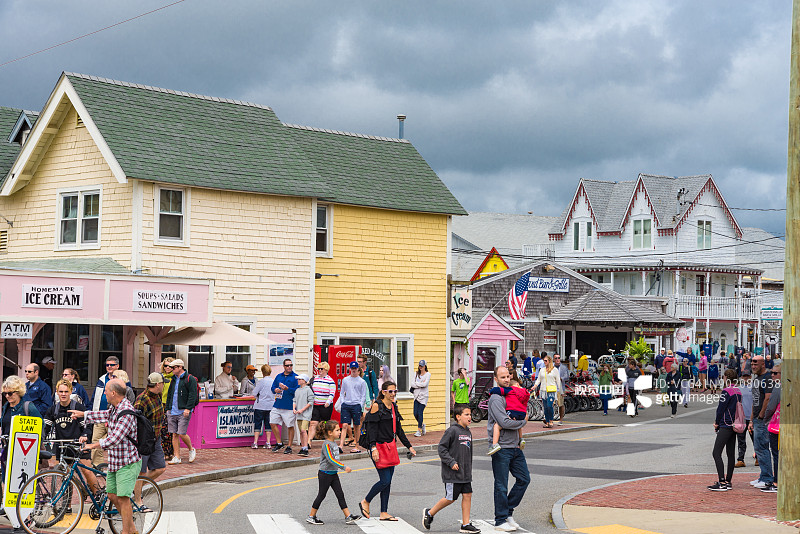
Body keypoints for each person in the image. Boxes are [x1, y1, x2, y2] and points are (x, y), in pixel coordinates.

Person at [72, 379, 140, 534]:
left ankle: (126, 531)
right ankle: (132, 529)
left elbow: (115, 438)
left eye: (106, 390)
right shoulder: (114, 408)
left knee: (123, 498)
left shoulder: (127, 411)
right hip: (115, 461)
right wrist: (84, 414)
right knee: (112, 495)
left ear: (114, 393)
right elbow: (104, 414)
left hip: (127, 462)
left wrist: (92, 445)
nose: (104, 393)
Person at [359, 381, 416, 521]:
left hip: (390, 447)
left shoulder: (394, 407)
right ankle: (366, 501)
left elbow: (399, 430)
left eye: (395, 391)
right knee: (385, 480)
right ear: (383, 392)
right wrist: (373, 448)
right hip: (378, 447)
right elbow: (371, 430)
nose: (393, 394)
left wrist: (409, 446)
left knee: (388, 482)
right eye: (390, 391)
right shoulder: (377, 406)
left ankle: (384, 512)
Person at [422, 404, 478, 533]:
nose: (470, 417)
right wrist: (451, 462)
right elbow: (442, 448)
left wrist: (468, 469)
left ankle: (465, 524)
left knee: (468, 494)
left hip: (465, 472)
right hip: (453, 473)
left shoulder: (468, 431)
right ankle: (429, 513)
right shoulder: (452, 430)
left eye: (470, 414)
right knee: (451, 498)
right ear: (458, 417)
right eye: (467, 414)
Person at [488, 366, 529, 532]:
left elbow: (522, 411)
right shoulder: (496, 398)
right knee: (501, 485)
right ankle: (500, 521)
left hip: (515, 446)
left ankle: (508, 512)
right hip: (501, 448)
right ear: (496, 379)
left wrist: (520, 420)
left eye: (508, 376)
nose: (506, 379)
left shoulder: (513, 393)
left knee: (524, 479)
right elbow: (504, 422)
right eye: (502, 377)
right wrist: (524, 421)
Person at [44, 379, 99, 493]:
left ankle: (97, 494)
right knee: (66, 477)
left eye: (66, 391)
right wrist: (41, 438)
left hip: (78, 445)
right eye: (61, 392)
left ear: (70, 392)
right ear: (57, 392)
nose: (63, 394)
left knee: (87, 470)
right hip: (62, 446)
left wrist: (84, 436)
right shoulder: (53, 410)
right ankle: (66, 505)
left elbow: (87, 426)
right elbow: (46, 428)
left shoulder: (78, 407)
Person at [306, 421, 361, 526]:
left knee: (340, 494)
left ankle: (348, 516)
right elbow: (330, 459)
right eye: (337, 430)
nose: (340, 432)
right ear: (330, 432)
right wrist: (344, 467)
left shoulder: (333, 443)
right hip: (325, 474)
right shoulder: (326, 444)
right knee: (321, 495)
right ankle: (311, 516)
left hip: (333, 474)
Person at [134, 373, 166, 506]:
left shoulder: (157, 396)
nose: (164, 385)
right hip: (144, 441)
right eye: (163, 383)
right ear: (158, 384)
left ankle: (136, 488)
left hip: (156, 438)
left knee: (160, 468)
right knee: (141, 471)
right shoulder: (142, 400)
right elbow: (134, 421)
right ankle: (138, 501)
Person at [708, 369, 742, 491]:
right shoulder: (738, 391)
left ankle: (722, 482)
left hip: (726, 424)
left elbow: (720, 408)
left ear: (726, 377)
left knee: (716, 452)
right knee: (730, 453)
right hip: (735, 424)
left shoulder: (726, 391)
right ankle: (728, 481)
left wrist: (717, 422)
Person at [165, 359, 199, 464]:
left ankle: (191, 449)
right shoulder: (173, 379)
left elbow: (192, 395)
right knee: (174, 434)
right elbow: (170, 394)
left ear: (180, 367)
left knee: (182, 433)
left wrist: (188, 408)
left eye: (174, 368)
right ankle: (177, 456)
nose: (171, 370)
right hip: (172, 410)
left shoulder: (190, 379)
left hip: (183, 410)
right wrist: (168, 408)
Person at [90, 356, 122, 466]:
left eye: (112, 365)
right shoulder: (102, 379)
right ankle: (97, 466)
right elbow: (95, 397)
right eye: (107, 365)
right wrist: (92, 411)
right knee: (95, 440)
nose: (109, 367)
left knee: (113, 442)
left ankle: (115, 466)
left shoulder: (122, 380)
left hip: (113, 416)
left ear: (117, 366)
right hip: (99, 415)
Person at [749, 356, 774, 489]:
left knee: (763, 448)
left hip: (763, 419)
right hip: (757, 418)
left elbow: (768, 398)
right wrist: (752, 419)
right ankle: (763, 476)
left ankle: (767, 478)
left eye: (755, 363)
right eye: (752, 363)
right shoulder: (756, 378)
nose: (753, 366)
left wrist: (761, 415)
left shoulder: (767, 378)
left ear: (763, 364)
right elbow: (755, 400)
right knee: (758, 447)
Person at [487, 378, 529, 454]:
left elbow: (499, 391)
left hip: (513, 412)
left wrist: (491, 392)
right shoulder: (525, 392)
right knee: (518, 424)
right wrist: (524, 420)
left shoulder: (511, 390)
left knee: (497, 425)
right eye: (503, 377)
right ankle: (521, 439)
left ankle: (494, 444)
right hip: (522, 413)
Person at [270, 358, 299, 454]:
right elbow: (273, 387)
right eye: (287, 365)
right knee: (272, 422)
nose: (289, 367)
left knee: (290, 425)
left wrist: (288, 389)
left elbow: (298, 391)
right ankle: (279, 443)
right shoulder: (279, 376)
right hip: (278, 404)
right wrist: (275, 390)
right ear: (284, 366)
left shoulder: (296, 377)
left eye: (291, 365)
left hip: (289, 405)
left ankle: (289, 446)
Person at [339, 362, 367, 454]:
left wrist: (360, 405)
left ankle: (357, 445)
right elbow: (342, 392)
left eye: (355, 368)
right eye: (352, 368)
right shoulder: (345, 380)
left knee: (356, 425)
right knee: (344, 425)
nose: (353, 370)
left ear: (358, 370)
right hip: (346, 404)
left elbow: (363, 395)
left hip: (356, 405)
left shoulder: (362, 381)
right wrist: (343, 402)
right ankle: (341, 445)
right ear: (350, 369)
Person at [762, 364, 781, 493]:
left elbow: (771, 405)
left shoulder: (778, 387)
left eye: (775, 373)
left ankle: (776, 481)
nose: (772, 375)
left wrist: (765, 419)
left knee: (777, 454)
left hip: (777, 426)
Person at [309, 362, 335, 449]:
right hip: (316, 405)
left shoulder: (330, 380)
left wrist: (328, 402)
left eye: (321, 369)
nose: (319, 370)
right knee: (313, 423)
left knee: (325, 423)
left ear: (326, 370)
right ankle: (309, 441)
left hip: (325, 406)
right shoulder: (314, 379)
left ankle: (328, 441)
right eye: (318, 369)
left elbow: (332, 393)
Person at [533, 355, 562, 428]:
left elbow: (558, 380)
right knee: (545, 407)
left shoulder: (554, 370)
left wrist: (561, 391)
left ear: (549, 361)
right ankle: (547, 421)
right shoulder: (542, 370)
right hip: (543, 390)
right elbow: (539, 379)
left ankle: (551, 420)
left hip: (551, 390)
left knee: (550, 406)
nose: (544, 362)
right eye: (544, 361)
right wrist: (535, 386)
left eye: (546, 361)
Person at [251, 364, 275, 449]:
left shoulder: (261, 382)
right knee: (268, 424)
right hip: (270, 406)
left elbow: (254, 393)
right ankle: (268, 442)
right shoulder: (273, 381)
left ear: (262, 372)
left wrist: (258, 395)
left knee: (258, 424)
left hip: (260, 405)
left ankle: (255, 442)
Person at [736, 371, 754, 467]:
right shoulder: (739, 388)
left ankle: (758, 458)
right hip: (742, 418)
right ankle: (740, 459)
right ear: (741, 377)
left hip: (752, 417)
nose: (746, 378)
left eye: (747, 376)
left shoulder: (754, 387)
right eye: (744, 376)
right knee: (741, 440)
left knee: (755, 439)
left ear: (750, 377)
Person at [294, 374, 314, 457]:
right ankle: (302, 446)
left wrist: (302, 409)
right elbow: (294, 400)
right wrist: (294, 409)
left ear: (304, 381)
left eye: (300, 379)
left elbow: (311, 401)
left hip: (306, 414)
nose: (298, 381)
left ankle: (305, 447)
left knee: (303, 430)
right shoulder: (297, 390)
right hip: (299, 414)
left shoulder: (308, 390)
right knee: (300, 431)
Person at [159, 358, 175, 461]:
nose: (167, 368)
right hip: (161, 406)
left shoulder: (175, 378)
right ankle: (164, 452)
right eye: (166, 366)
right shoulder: (160, 378)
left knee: (171, 431)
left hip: (172, 406)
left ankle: (171, 452)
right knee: (163, 430)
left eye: (170, 366)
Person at [412, 360, 431, 436]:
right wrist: (420, 384)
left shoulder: (428, 374)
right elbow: (412, 384)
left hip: (424, 396)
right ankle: (422, 425)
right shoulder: (416, 374)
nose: (420, 367)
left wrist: (417, 384)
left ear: (425, 366)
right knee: (415, 413)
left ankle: (419, 430)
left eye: (422, 366)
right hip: (416, 396)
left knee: (420, 413)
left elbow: (425, 385)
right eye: (420, 365)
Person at [554, 354, 569, 424]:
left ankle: (561, 419)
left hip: (560, 389)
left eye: (558, 358)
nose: (557, 359)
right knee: (550, 404)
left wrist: (561, 378)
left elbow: (567, 377)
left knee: (560, 404)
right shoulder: (551, 367)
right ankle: (549, 419)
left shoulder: (563, 367)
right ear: (553, 359)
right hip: (552, 388)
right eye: (556, 358)